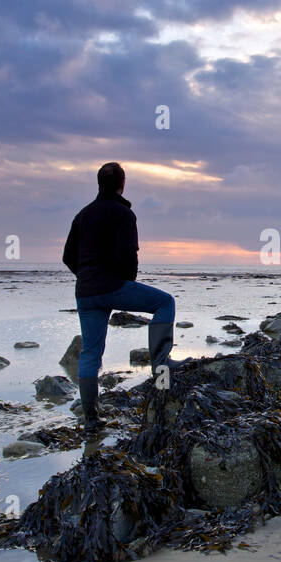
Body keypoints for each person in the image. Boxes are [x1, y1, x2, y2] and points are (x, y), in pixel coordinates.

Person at [62, 162, 175, 435]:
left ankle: (91, 420)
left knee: (90, 352)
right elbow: (128, 255)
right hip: (112, 286)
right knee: (165, 303)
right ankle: (161, 367)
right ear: (122, 184)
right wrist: (124, 282)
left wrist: (88, 277)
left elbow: (67, 256)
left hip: (86, 291)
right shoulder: (123, 213)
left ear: (99, 183)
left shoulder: (83, 215)